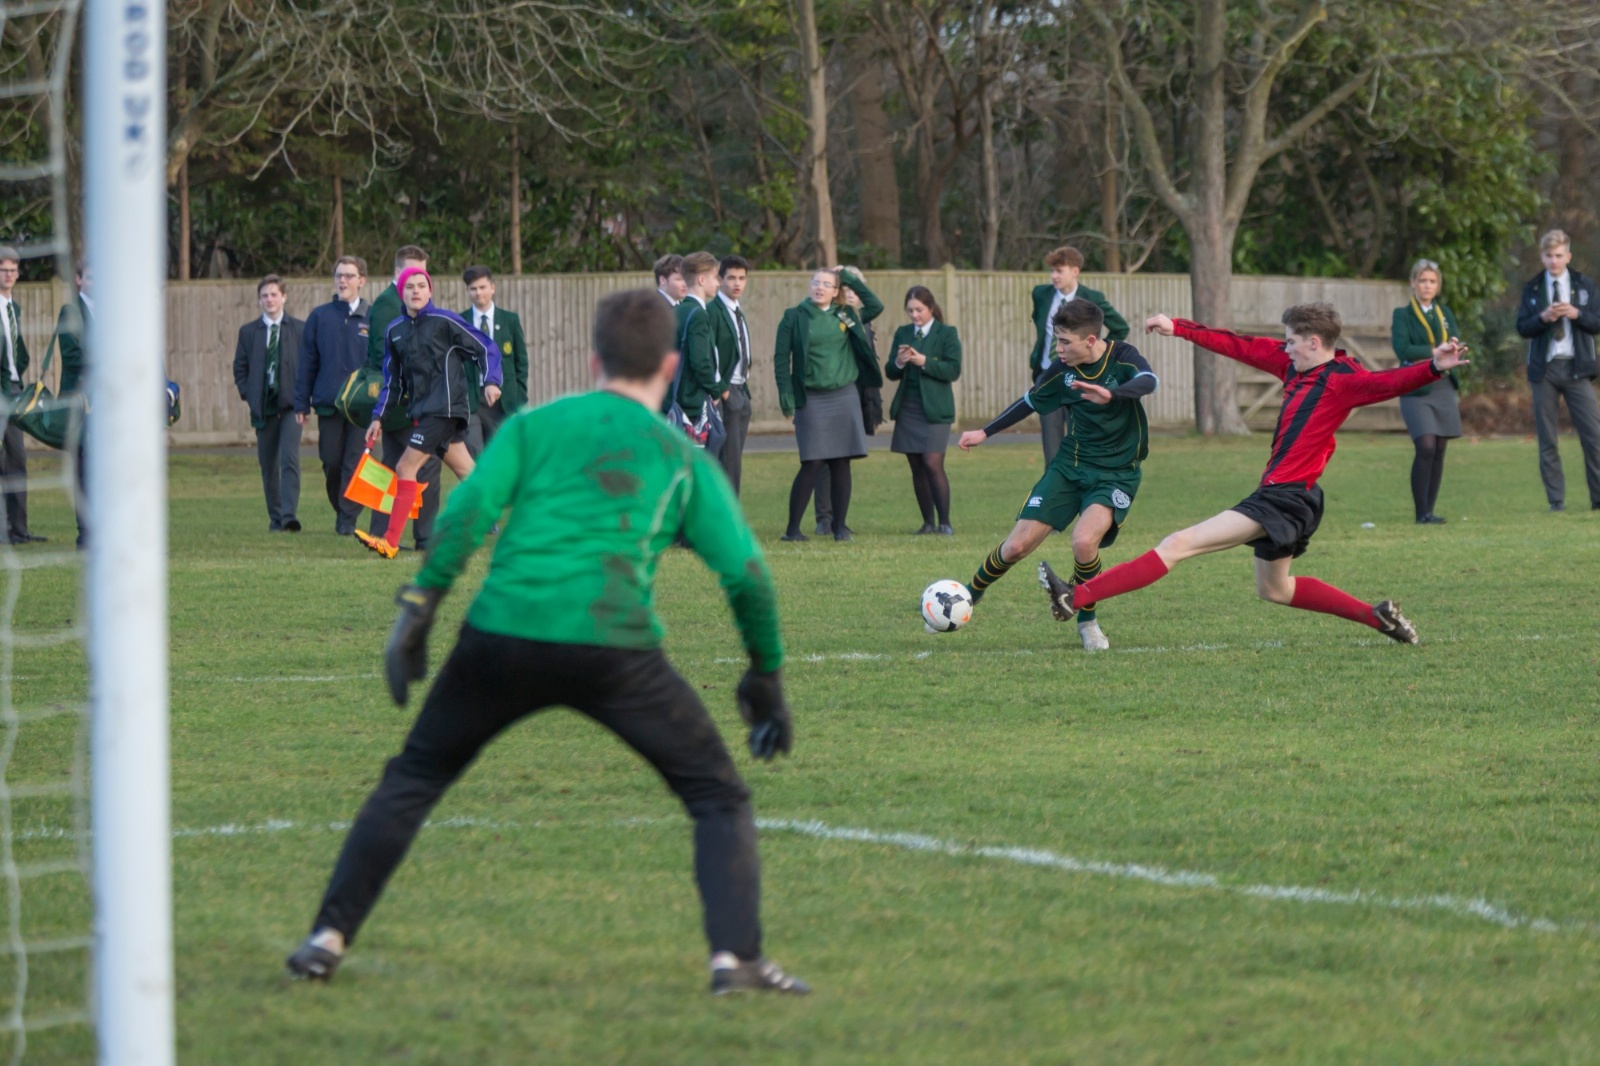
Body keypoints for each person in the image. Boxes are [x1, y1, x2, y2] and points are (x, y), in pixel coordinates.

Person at [285, 289, 807, 997]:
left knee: (412, 778)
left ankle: (326, 938)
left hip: (501, 636)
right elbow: (747, 575)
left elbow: (468, 509)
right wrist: (764, 674)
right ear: (671, 365)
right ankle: (736, 960)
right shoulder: (679, 455)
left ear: (595, 360)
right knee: (716, 795)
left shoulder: (536, 426)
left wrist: (422, 604)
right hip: (616, 650)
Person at [1066, 305, 1470, 642]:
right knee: (1275, 589)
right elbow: (1238, 345)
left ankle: (1076, 596)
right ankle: (1377, 616)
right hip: (1294, 497)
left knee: (1178, 544)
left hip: (1286, 497)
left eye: (1292, 341)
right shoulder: (1291, 365)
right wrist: (1179, 328)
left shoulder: (1344, 381)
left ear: (1314, 343)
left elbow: (1389, 382)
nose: (1286, 347)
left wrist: (1433, 366)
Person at [957, 299, 1155, 651]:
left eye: (1065, 342)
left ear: (1091, 340)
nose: (1058, 349)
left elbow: (1148, 381)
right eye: (1057, 340)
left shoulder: (1123, 357)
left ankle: (1087, 622)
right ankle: (966, 597)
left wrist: (1111, 394)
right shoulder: (1060, 371)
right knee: (1016, 546)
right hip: (1069, 467)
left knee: (1083, 541)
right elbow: (1029, 402)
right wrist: (985, 433)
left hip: (1116, 474)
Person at [354, 268, 501, 559]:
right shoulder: (395, 331)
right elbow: (392, 382)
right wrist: (377, 417)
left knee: (405, 468)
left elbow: (485, 347)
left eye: (422, 286)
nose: (416, 291)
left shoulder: (444, 320)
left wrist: (492, 380)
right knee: (466, 470)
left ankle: (390, 541)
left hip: (445, 410)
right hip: (423, 412)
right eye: (410, 287)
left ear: (430, 291)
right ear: (402, 293)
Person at [774, 267, 883, 542]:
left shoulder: (847, 315)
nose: (819, 287)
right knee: (812, 461)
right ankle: (792, 530)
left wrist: (847, 277)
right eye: (815, 282)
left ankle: (840, 527)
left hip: (844, 395)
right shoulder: (795, 316)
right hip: (811, 397)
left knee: (841, 462)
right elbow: (780, 358)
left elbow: (875, 305)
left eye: (826, 284)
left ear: (836, 291)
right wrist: (785, 393)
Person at [1515, 229, 1600, 512]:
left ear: (1569, 256)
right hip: (1545, 370)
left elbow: (1596, 322)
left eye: (1559, 255)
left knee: (1593, 436)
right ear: (1542, 257)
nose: (1554, 261)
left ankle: (1598, 499)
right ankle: (1556, 501)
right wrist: (1543, 317)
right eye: (1549, 256)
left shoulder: (1584, 285)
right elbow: (1522, 327)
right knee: (1548, 438)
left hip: (1577, 367)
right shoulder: (1534, 288)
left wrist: (1576, 315)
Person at [365, 246, 443, 549]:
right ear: (398, 274)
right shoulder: (389, 305)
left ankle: (384, 532)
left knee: (397, 466)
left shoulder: (413, 301)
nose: (418, 280)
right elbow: (386, 355)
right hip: (406, 402)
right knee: (422, 466)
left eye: (423, 274)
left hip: (408, 402)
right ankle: (423, 536)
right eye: (412, 273)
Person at [1027, 246, 1130, 466]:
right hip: (1048, 376)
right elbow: (1039, 324)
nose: (1054, 276)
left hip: (1082, 379)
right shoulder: (1041, 295)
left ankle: (1085, 490)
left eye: (1059, 271)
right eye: (1052, 271)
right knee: (1051, 445)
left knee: (1081, 440)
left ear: (1075, 271)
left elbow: (1120, 328)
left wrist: (1098, 358)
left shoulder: (1092, 299)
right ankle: (1053, 492)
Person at [294, 256, 371, 535]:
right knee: (331, 462)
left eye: (349, 276)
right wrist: (301, 402)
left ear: (361, 280)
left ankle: (347, 521)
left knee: (354, 462)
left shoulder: (372, 317)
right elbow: (307, 363)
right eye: (339, 275)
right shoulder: (320, 316)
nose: (343, 281)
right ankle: (343, 508)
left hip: (362, 408)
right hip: (328, 404)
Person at [1390, 259, 1463, 524]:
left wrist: (1452, 348)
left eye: (1432, 281)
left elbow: (1454, 341)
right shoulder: (1402, 314)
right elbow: (1402, 349)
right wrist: (1433, 353)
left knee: (1440, 446)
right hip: (1415, 386)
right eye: (1423, 281)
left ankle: (1429, 512)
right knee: (1426, 445)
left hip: (1442, 384)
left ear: (1438, 285)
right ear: (1413, 283)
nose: (1427, 286)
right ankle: (1421, 512)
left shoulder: (1444, 314)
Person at [232, 274, 305, 532]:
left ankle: (289, 516)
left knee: (289, 458)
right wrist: (249, 394)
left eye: (274, 294)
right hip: (264, 407)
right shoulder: (249, 332)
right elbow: (240, 367)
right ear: (259, 300)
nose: (269, 300)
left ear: (283, 297)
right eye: (265, 295)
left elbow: (308, 366)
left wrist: (304, 400)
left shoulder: (299, 329)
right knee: (268, 463)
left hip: (291, 407)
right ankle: (275, 517)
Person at [887, 286, 962, 534]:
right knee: (916, 465)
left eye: (919, 310)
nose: (914, 315)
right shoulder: (903, 332)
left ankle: (945, 522)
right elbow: (890, 371)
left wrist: (925, 362)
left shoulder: (946, 333)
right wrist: (899, 362)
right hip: (908, 406)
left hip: (936, 409)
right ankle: (928, 523)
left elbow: (953, 370)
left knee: (932, 462)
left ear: (930, 308)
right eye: (910, 310)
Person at [460, 265, 530, 455]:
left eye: (482, 287)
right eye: (473, 289)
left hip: (503, 400)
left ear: (492, 287)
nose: (478, 293)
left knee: (502, 452)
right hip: (472, 400)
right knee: (474, 452)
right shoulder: (460, 322)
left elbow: (521, 363)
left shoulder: (510, 321)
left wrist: (519, 396)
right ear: (467, 291)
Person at [0, 247, 41, 544]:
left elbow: (17, 351)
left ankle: (19, 529)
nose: (9, 275)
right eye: (3, 269)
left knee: (17, 459)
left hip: (13, 389)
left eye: (13, 269)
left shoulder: (14, 308)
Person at [707, 255, 754, 492]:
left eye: (742, 278)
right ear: (720, 279)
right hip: (727, 393)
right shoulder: (713, 310)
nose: (737, 283)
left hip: (741, 391)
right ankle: (727, 518)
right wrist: (723, 390)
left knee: (735, 460)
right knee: (728, 462)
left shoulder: (737, 310)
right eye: (732, 278)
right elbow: (708, 352)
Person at [55, 259, 90, 548]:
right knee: (83, 467)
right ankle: (86, 533)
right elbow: (73, 356)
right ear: (79, 279)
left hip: (108, 403)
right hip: (79, 403)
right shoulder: (70, 311)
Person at [671, 252, 723, 440]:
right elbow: (701, 361)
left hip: (674, 399)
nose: (718, 282)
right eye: (715, 277)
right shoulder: (699, 315)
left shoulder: (677, 310)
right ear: (702, 279)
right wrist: (714, 390)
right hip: (691, 403)